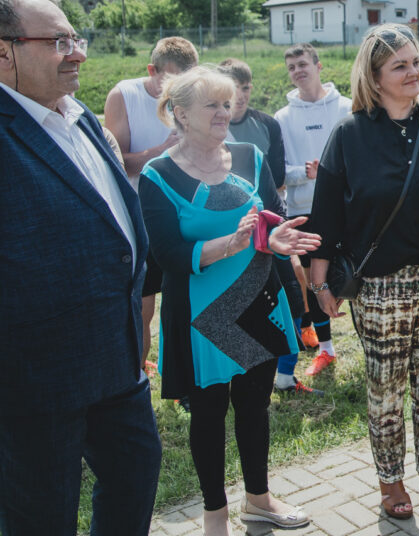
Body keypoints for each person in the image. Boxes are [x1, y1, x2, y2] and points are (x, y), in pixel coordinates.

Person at [0, 0, 162, 535]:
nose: (78, 52)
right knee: (43, 516)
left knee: (136, 478)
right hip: (34, 384)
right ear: (4, 51)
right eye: (58, 41)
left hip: (117, 366)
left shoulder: (81, 117)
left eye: (76, 36)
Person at [140, 67, 321, 535]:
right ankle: (215, 516)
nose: (226, 112)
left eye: (227, 103)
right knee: (208, 417)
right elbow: (168, 256)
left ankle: (258, 501)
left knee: (255, 408)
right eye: (213, 105)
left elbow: (266, 220)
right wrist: (233, 244)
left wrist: (276, 239)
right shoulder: (157, 176)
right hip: (202, 319)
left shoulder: (250, 155)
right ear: (180, 114)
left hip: (257, 303)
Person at [308, 23, 419, 520]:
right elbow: (326, 217)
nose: (413, 72)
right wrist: (320, 283)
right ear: (375, 76)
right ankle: (390, 481)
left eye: (416, 61)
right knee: (385, 388)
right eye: (399, 65)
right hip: (380, 286)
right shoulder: (349, 135)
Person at [218, 58, 321, 397]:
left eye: (246, 87)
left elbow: (275, 180)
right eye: (234, 88)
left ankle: (285, 377)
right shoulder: (212, 128)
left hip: (271, 228)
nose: (241, 95)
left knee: (293, 297)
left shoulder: (266, 125)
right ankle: (237, 379)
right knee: (240, 310)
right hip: (230, 237)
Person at [105, 36, 199, 371]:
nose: (179, 89)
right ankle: (138, 377)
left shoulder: (195, 97)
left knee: (187, 305)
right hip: (137, 219)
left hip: (184, 218)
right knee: (143, 307)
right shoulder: (124, 95)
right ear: (151, 70)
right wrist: (159, 154)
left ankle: (187, 381)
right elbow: (113, 163)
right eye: (172, 80)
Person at [274, 43, 351, 376]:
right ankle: (326, 348)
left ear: (319, 66)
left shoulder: (346, 107)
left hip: (346, 208)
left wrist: (336, 174)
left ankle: (368, 337)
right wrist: (303, 173)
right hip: (303, 210)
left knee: (351, 275)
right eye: (291, 67)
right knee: (312, 282)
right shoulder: (283, 117)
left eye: (303, 64)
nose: (297, 71)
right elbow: (280, 173)